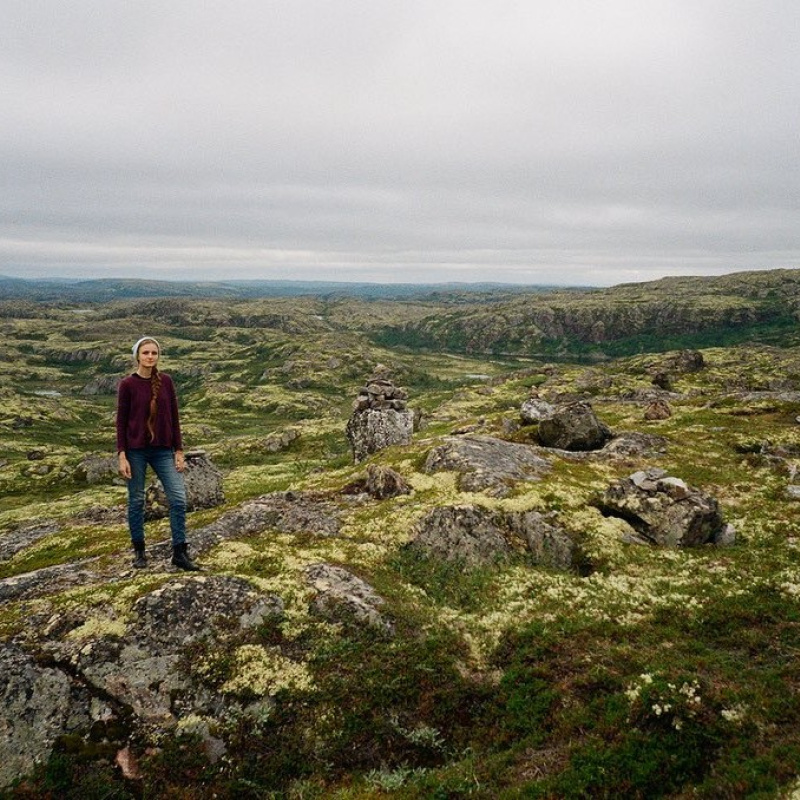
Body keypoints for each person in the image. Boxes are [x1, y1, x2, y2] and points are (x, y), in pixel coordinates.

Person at [116, 336, 199, 571]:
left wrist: (179, 450)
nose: (150, 356)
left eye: (154, 353)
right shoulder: (127, 385)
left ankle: (180, 553)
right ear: (137, 356)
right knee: (136, 500)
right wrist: (122, 455)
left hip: (163, 450)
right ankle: (139, 552)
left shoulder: (166, 382)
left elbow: (174, 417)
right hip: (136, 451)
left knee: (178, 499)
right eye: (146, 353)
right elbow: (121, 422)